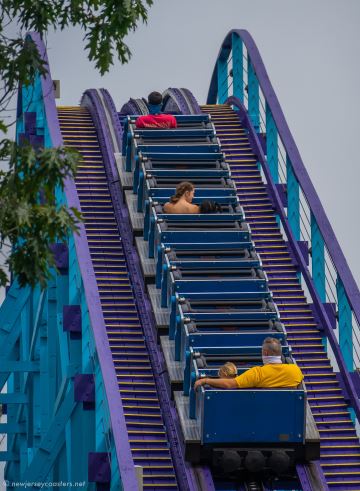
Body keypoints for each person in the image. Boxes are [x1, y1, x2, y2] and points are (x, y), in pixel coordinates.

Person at [194, 337, 303, 390]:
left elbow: (230, 384)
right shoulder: (295, 370)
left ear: (265, 352)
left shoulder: (257, 373)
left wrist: (205, 380)